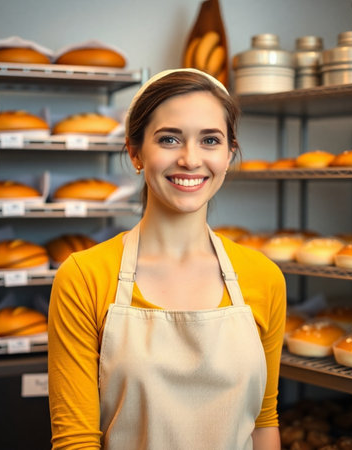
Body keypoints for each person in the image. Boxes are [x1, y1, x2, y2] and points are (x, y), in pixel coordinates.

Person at [48, 68, 286, 450]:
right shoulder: (84, 276)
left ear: (229, 154)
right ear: (136, 152)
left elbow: (263, 421)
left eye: (210, 140)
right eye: (169, 139)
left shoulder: (264, 277)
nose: (190, 159)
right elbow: (76, 440)